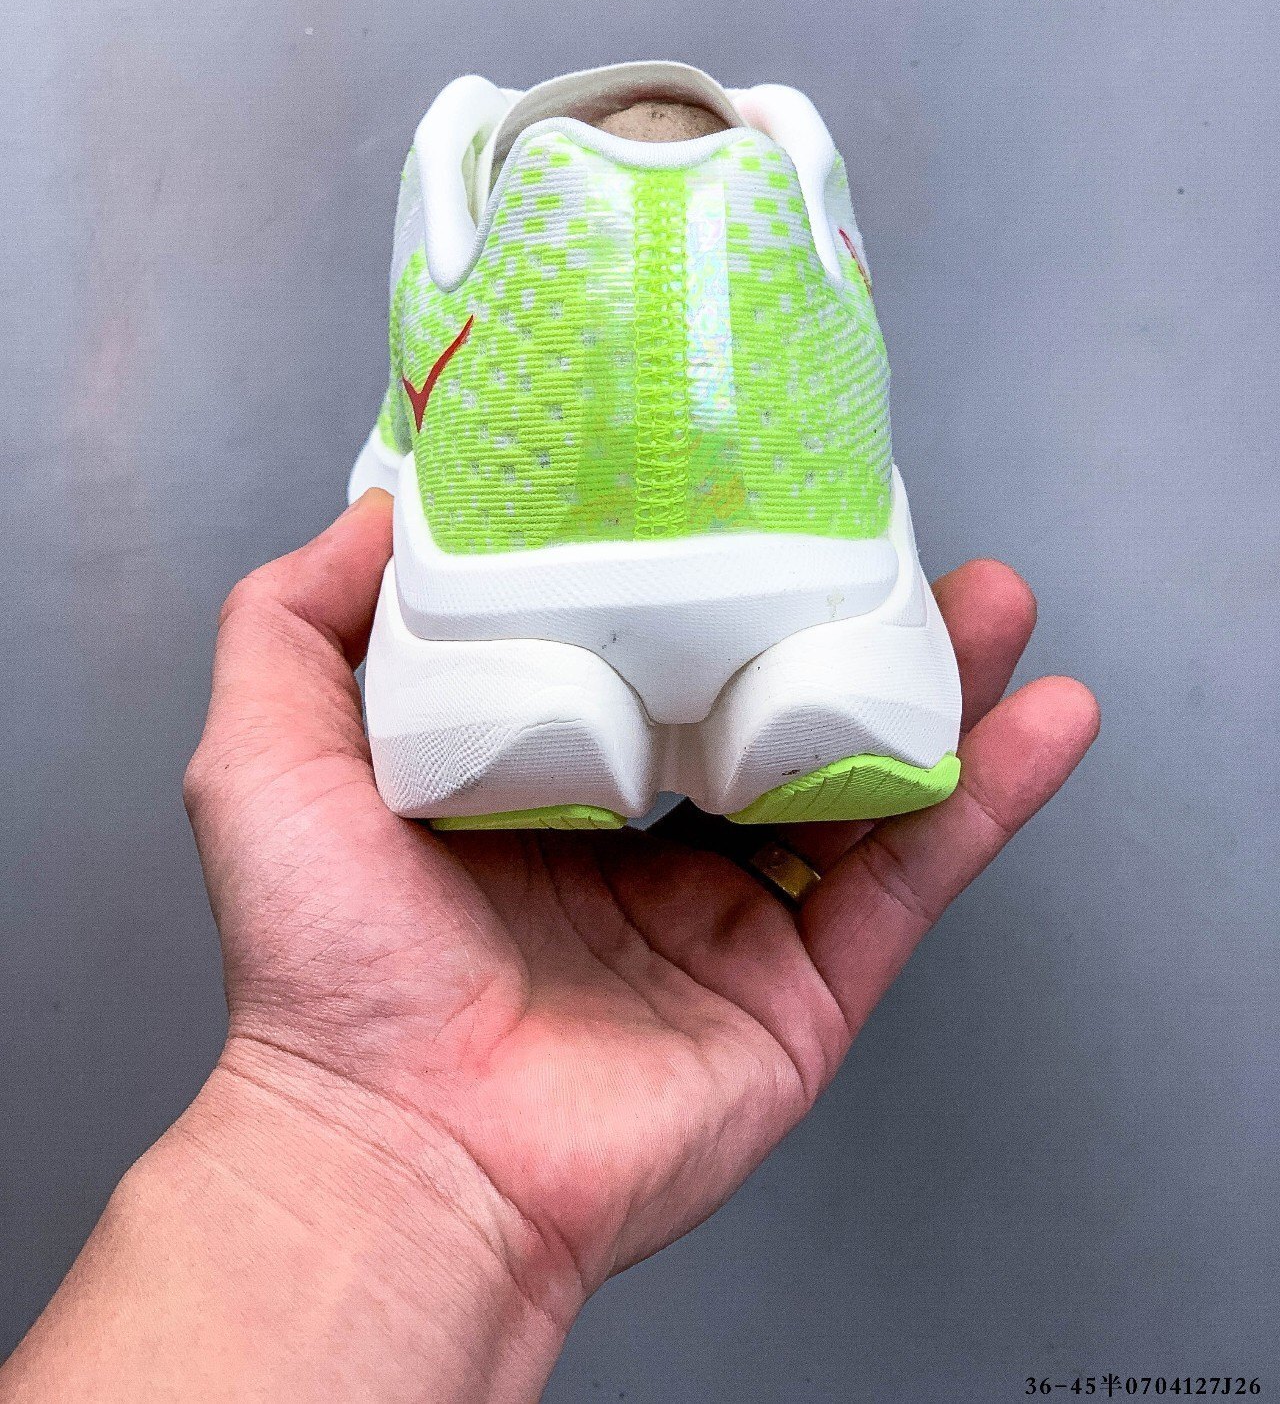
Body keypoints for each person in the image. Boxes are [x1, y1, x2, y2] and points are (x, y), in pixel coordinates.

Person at [0, 489, 1099, 1401]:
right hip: (804, 500)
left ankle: (511, 568)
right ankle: (811, 588)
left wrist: (357, 1140)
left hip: (513, 511)